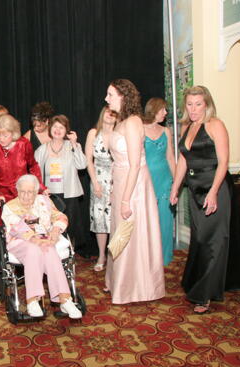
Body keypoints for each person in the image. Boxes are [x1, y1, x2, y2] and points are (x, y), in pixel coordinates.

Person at [170, 86, 240, 314]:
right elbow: (184, 160)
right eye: (190, 104)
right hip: (194, 191)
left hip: (215, 188)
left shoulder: (216, 125)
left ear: (207, 104)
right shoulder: (187, 126)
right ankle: (199, 283)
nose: (193, 109)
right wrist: (176, 187)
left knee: (214, 242)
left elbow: (224, 162)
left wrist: (214, 192)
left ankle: (204, 295)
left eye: (198, 104)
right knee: (201, 240)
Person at [104, 79, 165, 304]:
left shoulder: (133, 122)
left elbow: (135, 164)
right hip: (121, 182)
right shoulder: (121, 122)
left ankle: (137, 286)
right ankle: (120, 281)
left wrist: (126, 199)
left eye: (110, 94)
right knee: (121, 233)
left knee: (133, 233)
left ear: (122, 96)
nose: (106, 99)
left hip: (134, 185)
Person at [1, 174, 82, 319]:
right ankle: (33, 300)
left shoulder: (44, 200)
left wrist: (56, 230)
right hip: (19, 242)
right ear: (17, 191)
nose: (26, 196)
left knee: (48, 248)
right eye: (22, 192)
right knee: (34, 248)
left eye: (30, 192)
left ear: (36, 191)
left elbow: (60, 216)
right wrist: (35, 239)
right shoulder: (9, 207)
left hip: (45, 240)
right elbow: (16, 227)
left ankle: (64, 299)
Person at [0, 113, 47, 229]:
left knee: (28, 228)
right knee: (5, 231)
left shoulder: (23, 144)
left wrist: (40, 187)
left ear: (13, 133)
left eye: (5, 135)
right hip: (1, 196)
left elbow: (33, 166)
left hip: (23, 194)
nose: (1, 139)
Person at [34, 114, 86, 253]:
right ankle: (53, 255)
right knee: (51, 227)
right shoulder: (41, 150)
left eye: (61, 127)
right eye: (55, 126)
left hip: (70, 194)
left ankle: (69, 255)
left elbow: (82, 165)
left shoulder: (72, 146)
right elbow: (35, 173)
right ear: (50, 128)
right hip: (49, 195)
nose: (57, 130)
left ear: (66, 131)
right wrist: (40, 189)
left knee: (69, 228)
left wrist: (75, 144)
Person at [143, 98, 176, 266]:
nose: (165, 113)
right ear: (154, 110)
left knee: (165, 219)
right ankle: (147, 258)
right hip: (146, 180)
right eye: (163, 109)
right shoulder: (139, 129)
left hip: (165, 180)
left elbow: (170, 157)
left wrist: (176, 183)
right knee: (146, 222)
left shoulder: (166, 131)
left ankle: (163, 258)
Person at [85, 106, 116, 272]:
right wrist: (95, 183)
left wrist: (115, 186)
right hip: (97, 181)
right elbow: (88, 160)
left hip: (117, 180)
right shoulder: (93, 133)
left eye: (113, 113)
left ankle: (114, 257)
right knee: (99, 221)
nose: (110, 116)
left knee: (114, 220)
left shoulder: (120, 135)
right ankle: (101, 255)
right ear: (102, 114)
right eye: (107, 112)